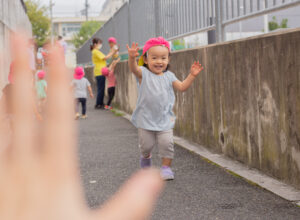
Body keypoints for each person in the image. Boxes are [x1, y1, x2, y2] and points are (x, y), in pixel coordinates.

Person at [0, 33, 163, 220]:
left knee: (16, 143)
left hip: (10, 125)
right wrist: (37, 113)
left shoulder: (7, 89)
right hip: (24, 121)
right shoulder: (96, 57)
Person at [127, 37, 204, 180]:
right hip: (146, 119)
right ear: (145, 59)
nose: (159, 61)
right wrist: (131, 58)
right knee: (146, 146)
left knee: (167, 144)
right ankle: (146, 160)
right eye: (154, 58)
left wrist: (192, 76)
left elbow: (182, 87)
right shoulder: (143, 74)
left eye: (163, 58)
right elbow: (133, 69)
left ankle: (166, 168)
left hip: (164, 118)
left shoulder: (169, 76)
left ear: (168, 59)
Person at [90, 38, 116, 109]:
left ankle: (100, 103)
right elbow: (105, 58)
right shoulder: (95, 51)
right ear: (95, 44)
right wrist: (113, 52)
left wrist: (112, 52)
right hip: (100, 72)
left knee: (101, 88)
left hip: (99, 71)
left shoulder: (95, 51)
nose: (100, 45)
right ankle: (99, 104)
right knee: (101, 89)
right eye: (99, 43)